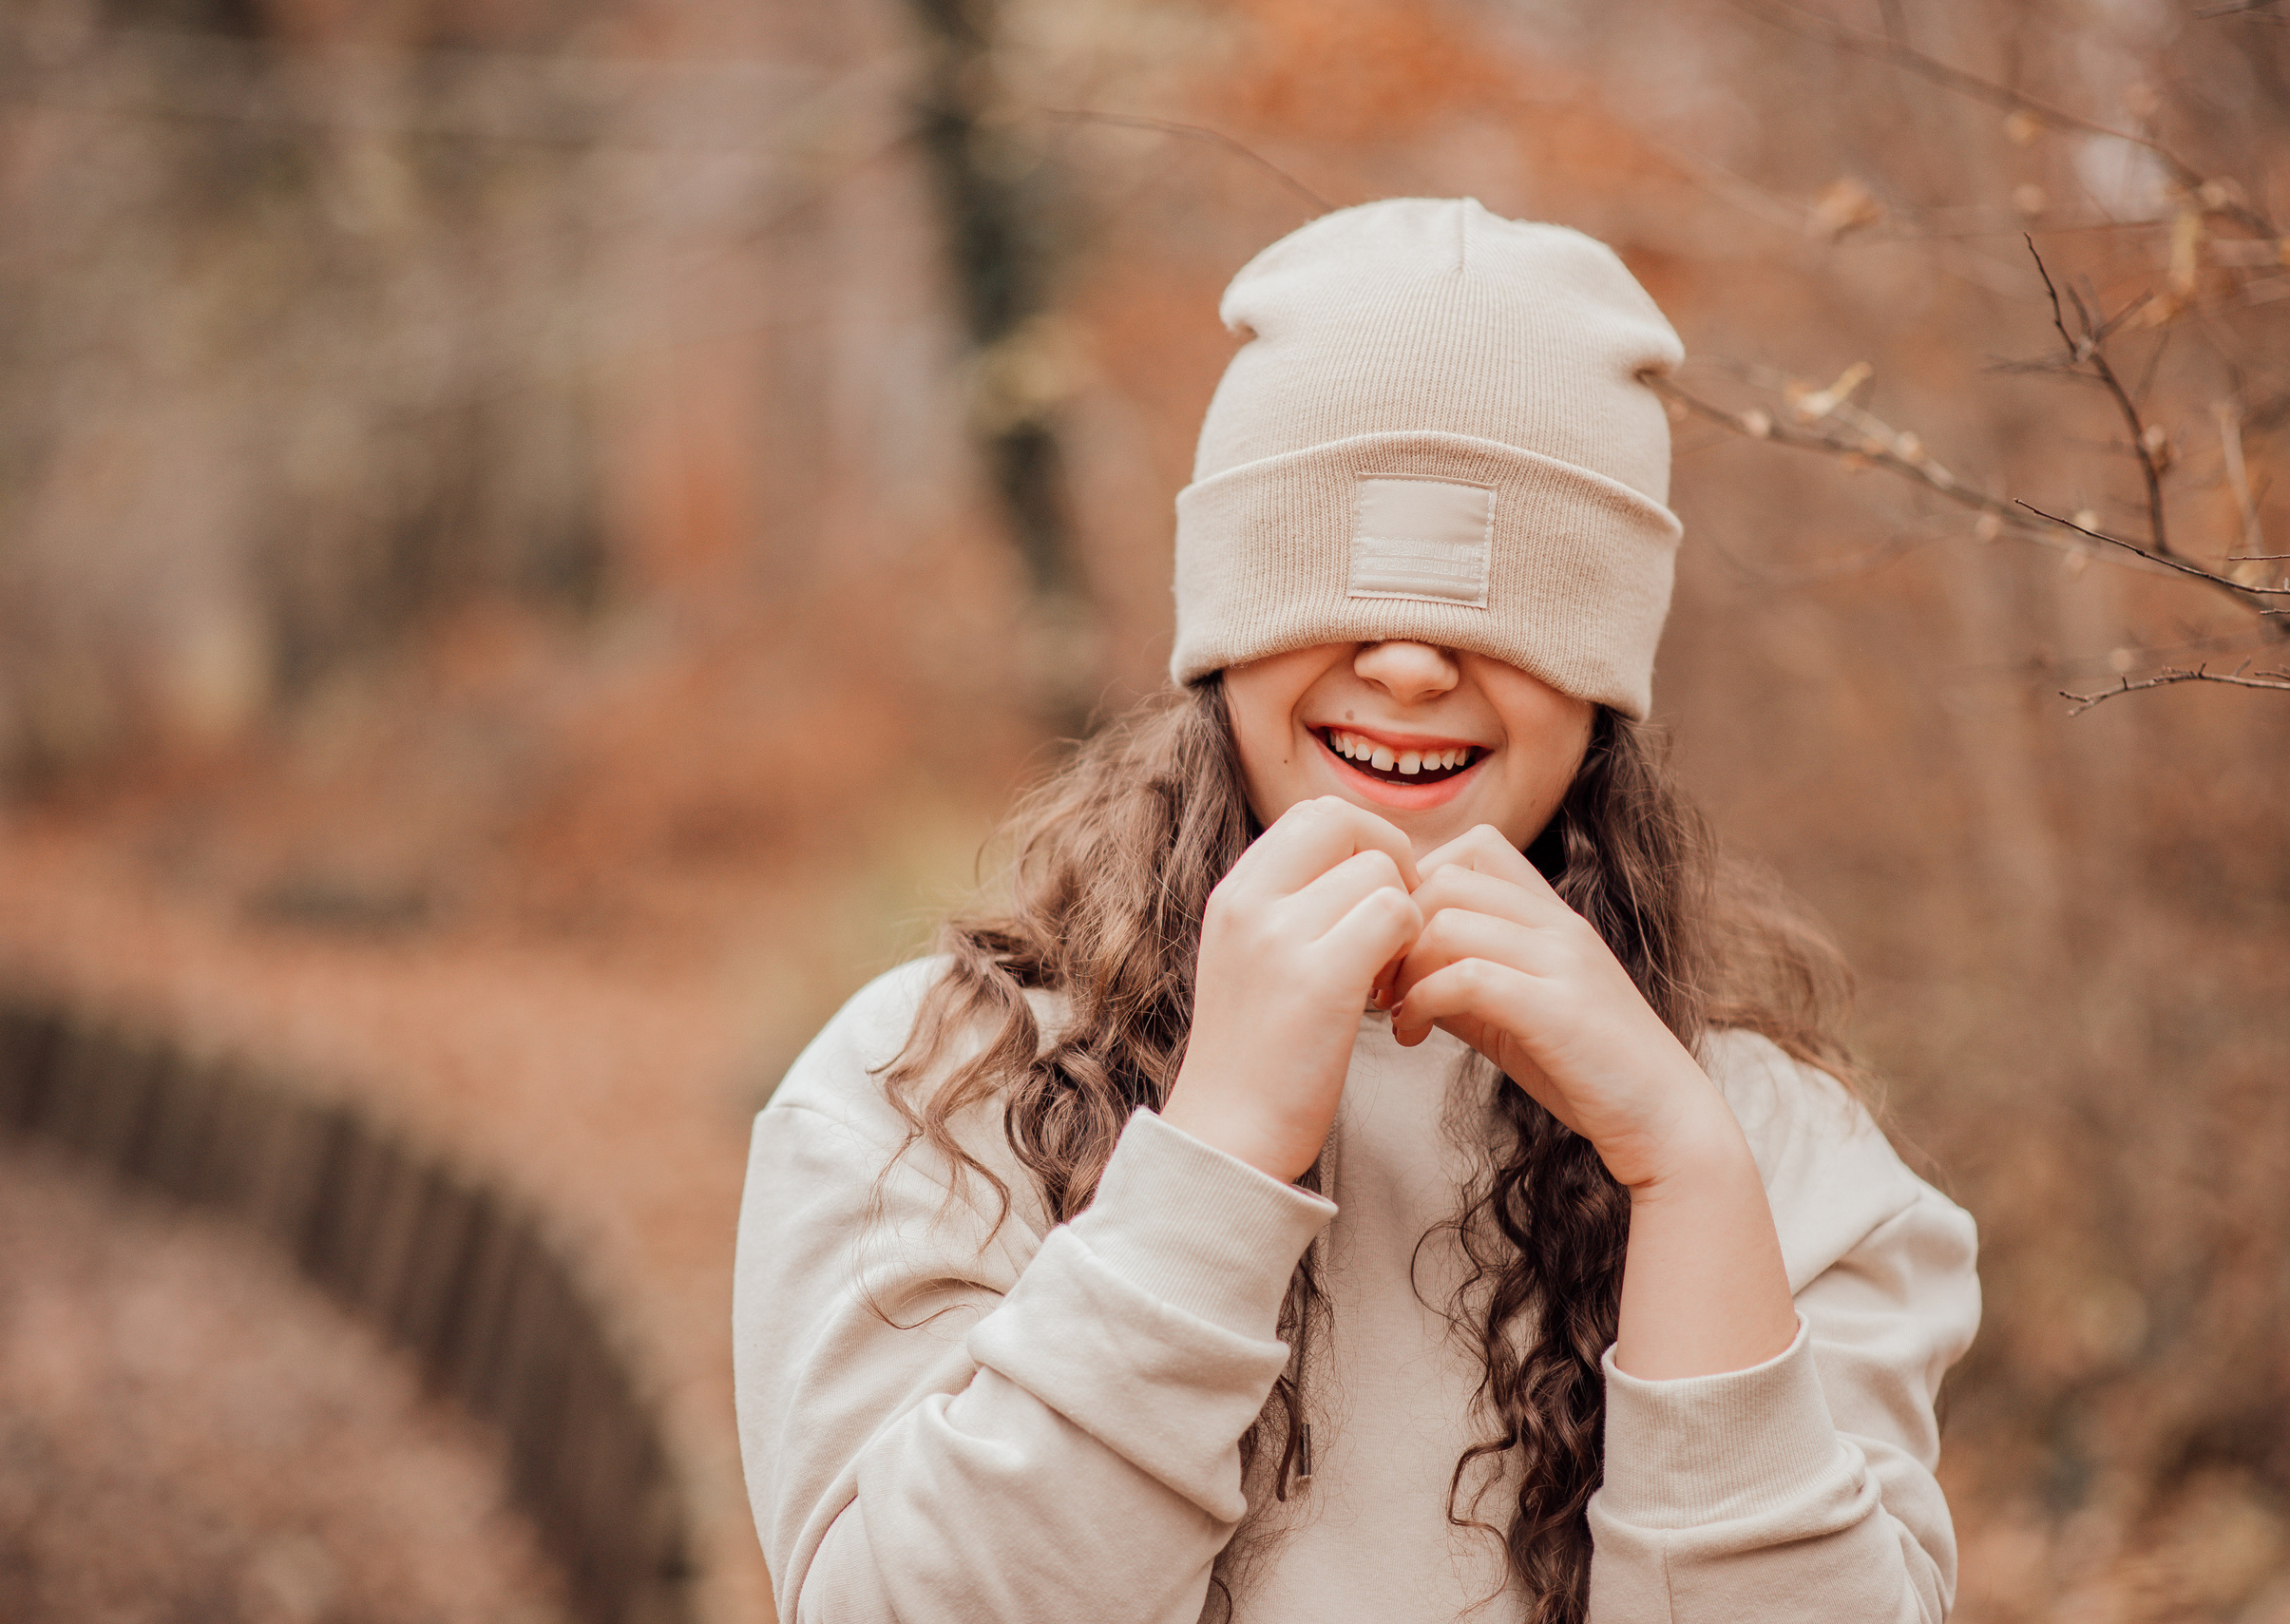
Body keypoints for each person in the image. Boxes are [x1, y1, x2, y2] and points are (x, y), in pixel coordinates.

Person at [733, 197, 1981, 1624]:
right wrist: (1219, 1153)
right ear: (1227, 620)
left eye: (1500, 608)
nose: (1402, 663)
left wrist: (1684, 1173)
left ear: (1600, 671)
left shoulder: (1787, 1161)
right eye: (1335, 581)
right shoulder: (929, 1096)